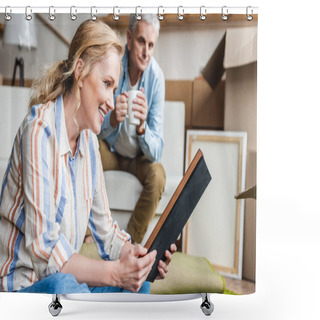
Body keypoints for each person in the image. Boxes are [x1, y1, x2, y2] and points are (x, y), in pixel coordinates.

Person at [0, 19, 176, 294]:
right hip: (26, 286)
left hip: (65, 283)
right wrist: (116, 274)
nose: (111, 99)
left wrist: (140, 258)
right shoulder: (39, 131)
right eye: (106, 83)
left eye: (114, 87)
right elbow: (44, 253)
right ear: (80, 71)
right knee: (64, 284)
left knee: (140, 286)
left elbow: (107, 234)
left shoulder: (89, 144)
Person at [98, 14, 166, 244]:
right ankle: (90, 233)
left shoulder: (156, 79)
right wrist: (112, 120)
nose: (146, 52)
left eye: (151, 45)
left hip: (139, 159)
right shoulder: (113, 65)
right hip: (113, 152)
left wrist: (142, 129)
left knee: (158, 176)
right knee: (87, 145)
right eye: (140, 41)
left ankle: (128, 241)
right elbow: (93, 126)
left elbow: (156, 152)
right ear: (129, 38)